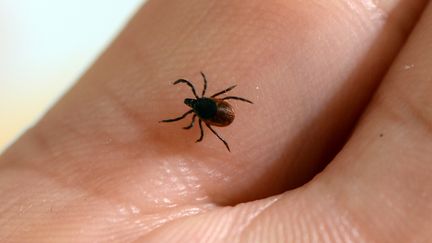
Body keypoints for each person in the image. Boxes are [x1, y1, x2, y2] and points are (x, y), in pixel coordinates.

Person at [1, 0, 431, 241]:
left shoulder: (205, 109)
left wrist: (200, 124)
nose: (193, 106)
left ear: (200, 100)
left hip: (224, 120)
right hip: (226, 120)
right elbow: (207, 104)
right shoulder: (209, 103)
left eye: (193, 101)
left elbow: (197, 116)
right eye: (193, 104)